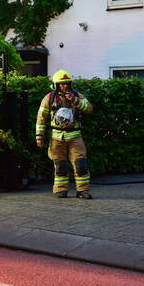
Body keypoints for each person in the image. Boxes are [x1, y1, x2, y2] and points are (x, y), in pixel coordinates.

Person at [36, 70, 94, 199]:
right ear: (56, 85)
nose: (65, 86)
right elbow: (41, 118)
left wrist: (75, 101)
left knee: (81, 164)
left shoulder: (77, 95)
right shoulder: (49, 98)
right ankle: (60, 190)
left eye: (67, 84)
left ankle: (83, 191)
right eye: (62, 84)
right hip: (56, 137)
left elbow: (89, 109)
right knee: (60, 165)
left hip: (75, 136)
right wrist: (39, 136)